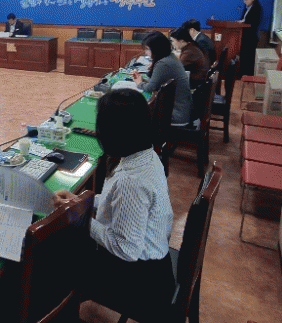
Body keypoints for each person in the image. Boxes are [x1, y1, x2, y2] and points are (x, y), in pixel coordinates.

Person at [52, 89, 174, 323]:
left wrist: (80, 217)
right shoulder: (147, 156)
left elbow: (125, 249)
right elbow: (116, 202)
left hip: (141, 283)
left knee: (59, 258)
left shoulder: (131, 181)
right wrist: (80, 201)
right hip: (157, 268)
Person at [132, 31, 192, 125]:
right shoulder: (170, 57)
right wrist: (143, 80)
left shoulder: (163, 63)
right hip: (182, 110)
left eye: (147, 49)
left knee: (134, 114)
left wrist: (139, 83)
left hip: (176, 114)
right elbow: (157, 82)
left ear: (157, 49)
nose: (146, 52)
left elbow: (151, 87)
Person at [239, 0, 262, 77]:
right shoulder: (246, 8)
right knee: (243, 55)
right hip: (243, 35)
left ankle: (248, 74)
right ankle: (242, 73)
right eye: (244, 0)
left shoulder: (257, 8)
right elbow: (243, 19)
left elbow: (254, 22)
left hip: (251, 36)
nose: (245, 2)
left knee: (249, 56)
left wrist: (244, 22)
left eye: (246, 0)